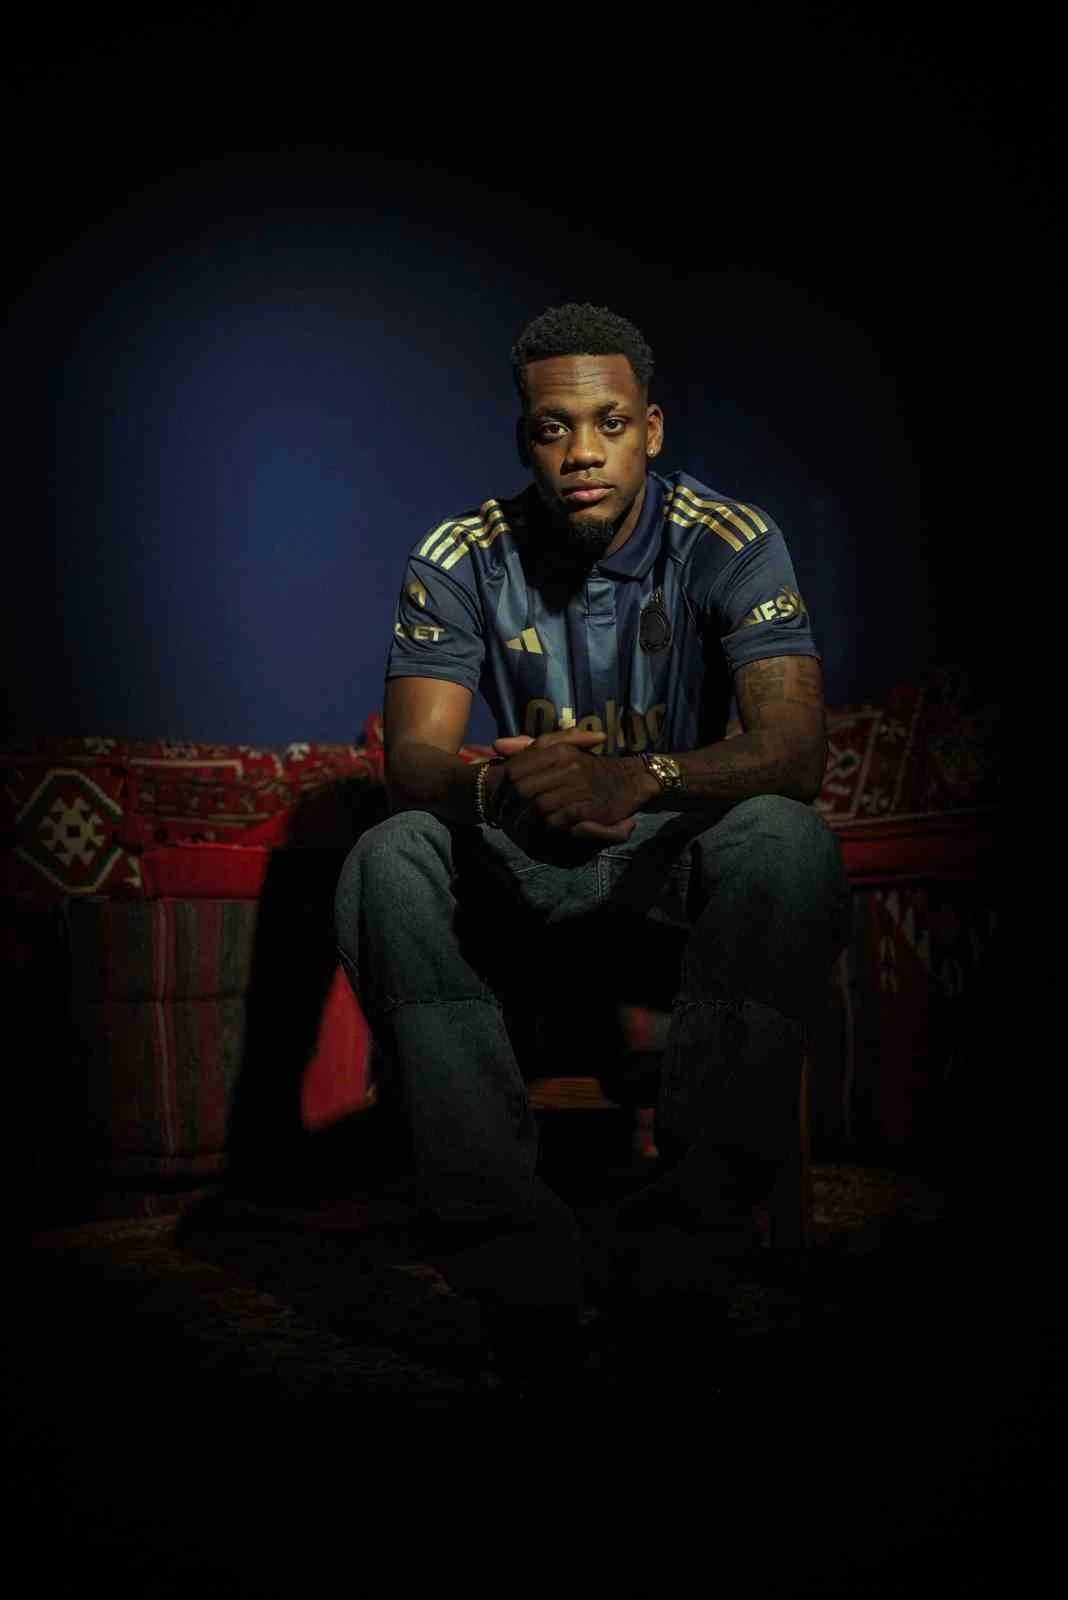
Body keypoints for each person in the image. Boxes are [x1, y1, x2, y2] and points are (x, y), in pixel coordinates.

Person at [335, 303, 850, 1386]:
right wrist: (503, 786)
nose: (582, 452)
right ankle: (516, 1270)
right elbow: (413, 766)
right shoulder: (459, 553)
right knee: (389, 855)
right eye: (554, 428)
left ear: (650, 429)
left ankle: (683, 1253)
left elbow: (796, 749)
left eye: (610, 423)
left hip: (675, 871)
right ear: (524, 439)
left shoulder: (729, 538)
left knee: (786, 839)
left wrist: (641, 775)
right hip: (528, 867)